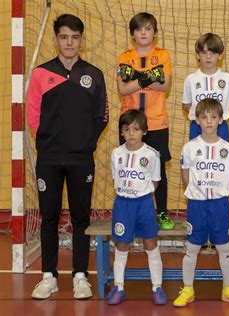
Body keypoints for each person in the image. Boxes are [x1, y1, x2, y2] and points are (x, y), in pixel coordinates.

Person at [26, 14, 108, 299]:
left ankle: (80, 276)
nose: (69, 42)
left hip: (81, 159)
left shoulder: (94, 74)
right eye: (64, 37)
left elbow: (103, 116)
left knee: (80, 218)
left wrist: (86, 143)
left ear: (81, 40)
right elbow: (33, 114)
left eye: (75, 37)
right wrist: (46, 142)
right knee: (48, 217)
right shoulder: (40, 73)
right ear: (56, 39)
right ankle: (48, 276)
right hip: (49, 158)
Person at [173, 98, 229, 307]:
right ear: (197, 120)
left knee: (224, 248)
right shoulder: (189, 147)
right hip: (197, 205)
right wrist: (196, 193)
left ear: (220, 120)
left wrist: (220, 194)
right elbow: (185, 174)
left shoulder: (228, 149)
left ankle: (227, 289)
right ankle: (188, 288)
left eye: (213, 117)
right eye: (204, 117)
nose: (208, 121)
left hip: (219, 204)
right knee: (192, 248)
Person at [116, 12, 175, 230]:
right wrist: (151, 75)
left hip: (157, 122)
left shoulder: (163, 55)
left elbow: (164, 86)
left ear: (155, 33)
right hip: (129, 123)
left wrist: (136, 77)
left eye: (148, 28)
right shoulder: (124, 57)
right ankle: (128, 211)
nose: (143, 32)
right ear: (132, 34)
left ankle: (162, 212)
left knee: (157, 168)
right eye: (139, 29)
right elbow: (123, 88)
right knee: (129, 167)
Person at [106, 110, 166, 305]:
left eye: (136, 129)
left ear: (144, 132)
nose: (131, 133)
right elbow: (116, 178)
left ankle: (157, 287)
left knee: (151, 244)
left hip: (144, 204)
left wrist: (142, 193)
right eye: (126, 129)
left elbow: (155, 182)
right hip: (123, 204)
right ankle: (119, 287)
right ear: (121, 132)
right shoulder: (117, 154)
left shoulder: (151, 155)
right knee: (122, 245)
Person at [182, 33, 229, 141]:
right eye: (204, 52)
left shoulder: (228, 78)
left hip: (220, 127)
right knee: (196, 157)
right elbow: (186, 105)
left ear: (220, 55)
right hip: (197, 126)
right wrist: (201, 117)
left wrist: (216, 116)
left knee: (222, 157)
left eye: (213, 52)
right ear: (197, 55)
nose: (208, 56)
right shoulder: (191, 79)